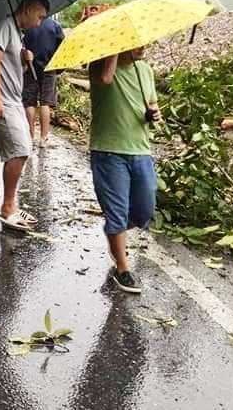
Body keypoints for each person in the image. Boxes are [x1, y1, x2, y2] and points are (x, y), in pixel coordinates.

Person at [89, 47, 162, 294]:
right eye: (136, 42)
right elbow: (106, 80)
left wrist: (154, 114)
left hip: (140, 149)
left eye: (144, 42)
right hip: (108, 150)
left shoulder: (146, 71)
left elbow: (153, 105)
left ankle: (114, 230)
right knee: (117, 212)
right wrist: (113, 51)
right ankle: (122, 268)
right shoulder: (100, 65)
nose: (143, 46)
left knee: (144, 210)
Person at [0, 0, 49, 231]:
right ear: (28, 8)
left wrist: (24, 58)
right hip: (1, 100)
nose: (39, 22)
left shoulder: (18, 34)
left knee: (22, 149)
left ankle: (12, 203)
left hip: (14, 99)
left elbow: (13, 68)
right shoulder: (3, 26)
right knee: (20, 150)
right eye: (39, 16)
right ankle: (8, 206)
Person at [22, 16, 65, 147]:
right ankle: (43, 138)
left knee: (29, 102)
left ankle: (29, 137)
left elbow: (21, 45)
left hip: (30, 66)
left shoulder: (28, 23)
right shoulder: (55, 26)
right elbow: (62, 48)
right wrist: (59, 68)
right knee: (45, 102)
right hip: (49, 67)